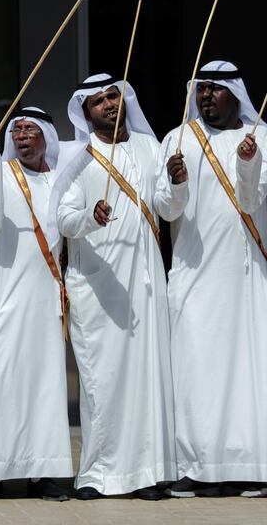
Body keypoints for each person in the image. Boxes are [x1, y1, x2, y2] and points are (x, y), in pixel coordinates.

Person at [55, 74, 176, 500]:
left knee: (147, 377)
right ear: (85, 111)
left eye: (113, 96)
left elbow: (166, 207)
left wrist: (176, 182)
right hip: (96, 287)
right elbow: (64, 219)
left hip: (143, 283)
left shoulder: (149, 146)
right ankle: (99, 474)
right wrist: (92, 215)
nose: (108, 104)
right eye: (98, 100)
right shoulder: (76, 157)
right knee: (100, 382)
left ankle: (147, 473)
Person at [155, 61, 267, 498]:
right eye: (201, 90)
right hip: (194, 274)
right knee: (195, 369)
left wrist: (247, 163)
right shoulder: (177, 139)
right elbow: (166, 210)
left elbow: (251, 198)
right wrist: (176, 182)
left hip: (244, 277)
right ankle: (197, 467)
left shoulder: (259, 136)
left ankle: (251, 465)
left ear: (235, 94)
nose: (205, 97)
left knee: (247, 369)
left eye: (215, 90)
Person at [0, 107, 73, 502]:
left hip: (46, 298)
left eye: (31, 129)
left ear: (47, 136)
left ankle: (43, 473)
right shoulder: (2, 175)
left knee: (46, 388)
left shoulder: (61, 184)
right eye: (17, 130)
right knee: (0, 384)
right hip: (6, 295)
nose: (22, 135)